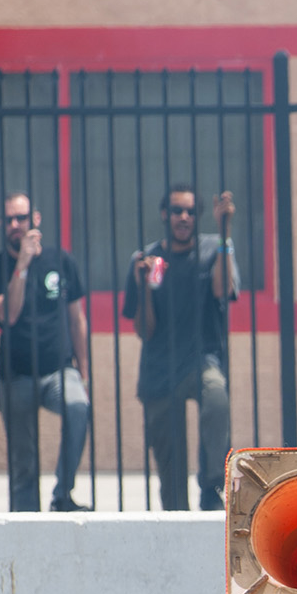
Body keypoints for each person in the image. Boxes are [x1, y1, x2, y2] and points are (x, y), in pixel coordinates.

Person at [120, 184, 237, 511]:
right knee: (170, 478)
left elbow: (222, 291)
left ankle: (212, 485)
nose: (183, 217)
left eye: (190, 211)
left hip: (202, 359)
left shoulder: (215, 249)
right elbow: (144, 329)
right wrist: (144, 288)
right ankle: (175, 517)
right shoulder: (145, 260)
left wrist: (225, 233)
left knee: (216, 395)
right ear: (164, 214)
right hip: (160, 369)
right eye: (176, 211)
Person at [0, 191, 90, 512]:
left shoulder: (62, 261)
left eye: (22, 218)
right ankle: (25, 522)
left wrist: (83, 371)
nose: (16, 225)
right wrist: (23, 265)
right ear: (3, 224)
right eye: (10, 220)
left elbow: (76, 319)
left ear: (36, 220)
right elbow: (9, 315)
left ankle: (62, 495)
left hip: (58, 369)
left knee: (78, 407)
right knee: (24, 463)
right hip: (15, 375)